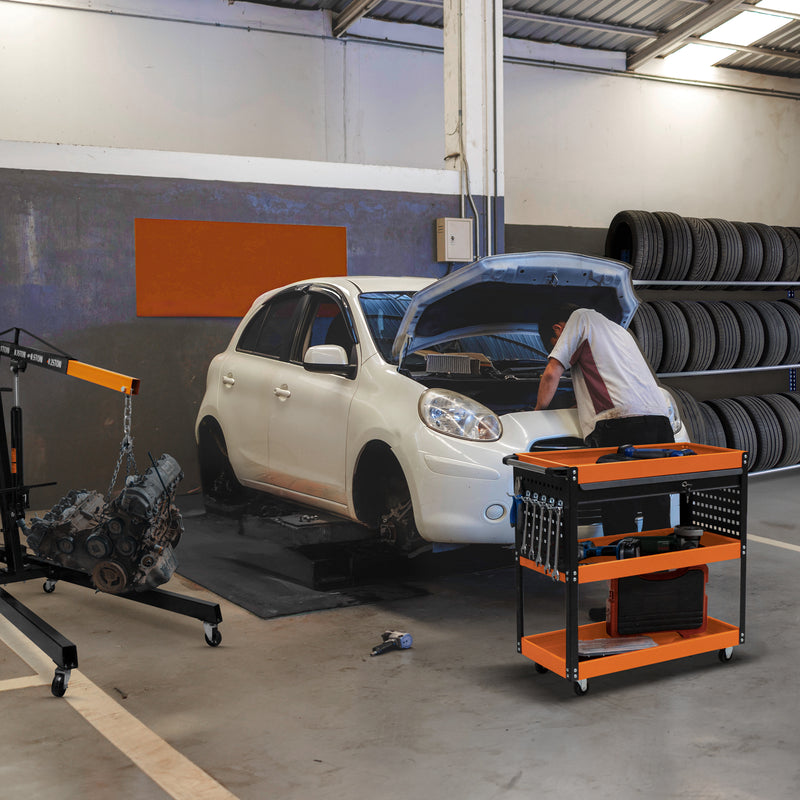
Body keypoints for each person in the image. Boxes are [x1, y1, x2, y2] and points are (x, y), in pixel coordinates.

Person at [535, 302, 675, 535]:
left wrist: (538, 410)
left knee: (619, 500)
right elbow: (615, 378)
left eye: (554, 344)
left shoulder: (580, 317)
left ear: (558, 329)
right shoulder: (618, 331)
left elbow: (551, 373)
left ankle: (623, 562)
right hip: (659, 422)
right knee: (656, 499)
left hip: (622, 425)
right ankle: (656, 564)